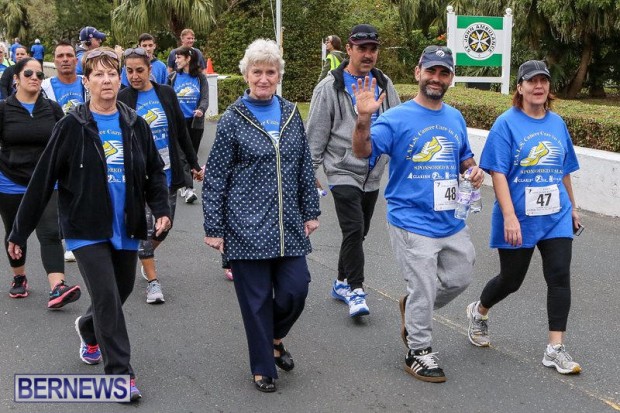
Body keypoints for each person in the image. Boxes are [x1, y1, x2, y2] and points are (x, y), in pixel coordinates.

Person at [7, 47, 171, 402]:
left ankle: (87, 327)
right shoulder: (71, 126)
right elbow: (43, 178)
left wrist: (161, 208)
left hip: (126, 225)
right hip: (85, 227)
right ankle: (121, 376)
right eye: (98, 74)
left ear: (119, 78)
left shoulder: (135, 124)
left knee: (120, 291)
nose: (106, 80)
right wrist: (18, 231)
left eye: (112, 73)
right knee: (108, 298)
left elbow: (155, 172)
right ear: (87, 82)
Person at [351, 45, 484, 383]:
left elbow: (463, 157)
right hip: (411, 218)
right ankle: (418, 351)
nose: (436, 78)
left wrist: (473, 170)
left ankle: (413, 307)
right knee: (423, 287)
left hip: (451, 217)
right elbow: (362, 151)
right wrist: (363, 119)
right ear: (418, 73)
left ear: (451, 78)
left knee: (460, 277)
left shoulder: (454, 117)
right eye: (431, 71)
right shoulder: (396, 118)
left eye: (443, 73)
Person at [202, 38, 320, 393]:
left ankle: (275, 338)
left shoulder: (290, 114)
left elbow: (303, 165)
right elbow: (216, 177)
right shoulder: (232, 119)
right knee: (255, 303)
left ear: (278, 75)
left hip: (288, 224)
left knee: (296, 290)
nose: (264, 78)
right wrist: (214, 227)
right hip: (244, 225)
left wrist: (310, 211)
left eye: (270, 72)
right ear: (246, 75)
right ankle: (262, 367)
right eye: (257, 72)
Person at [465, 60, 582, 375]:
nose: (538, 86)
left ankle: (555, 348)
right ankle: (479, 310)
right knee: (511, 280)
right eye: (532, 81)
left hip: (555, 215)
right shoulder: (506, 123)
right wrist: (509, 217)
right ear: (520, 87)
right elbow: (498, 173)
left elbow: (564, 170)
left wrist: (573, 207)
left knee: (559, 276)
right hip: (519, 216)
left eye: (543, 80)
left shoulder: (557, 123)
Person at [307, 24, 400, 317]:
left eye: (373, 49)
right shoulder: (329, 87)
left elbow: (398, 123)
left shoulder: (384, 83)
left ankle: (341, 282)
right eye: (362, 49)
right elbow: (316, 135)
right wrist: (309, 175)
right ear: (348, 49)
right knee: (354, 228)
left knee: (359, 232)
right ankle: (356, 290)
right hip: (341, 169)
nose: (368, 54)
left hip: (373, 173)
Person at [118, 46, 203, 303]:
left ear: (150, 69)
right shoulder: (123, 98)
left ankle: (143, 253)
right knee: (145, 228)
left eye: (139, 70)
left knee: (164, 226)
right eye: (129, 71)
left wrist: (194, 164)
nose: (134, 76)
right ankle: (153, 282)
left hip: (166, 171)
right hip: (138, 176)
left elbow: (181, 132)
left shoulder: (165, 93)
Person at [0, 57, 82, 308]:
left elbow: (65, 142)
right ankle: (19, 276)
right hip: (10, 181)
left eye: (39, 74)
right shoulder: (3, 109)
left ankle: (57, 287)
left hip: (46, 181)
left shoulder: (52, 109)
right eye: (28, 74)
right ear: (16, 79)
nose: (35, 78)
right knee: (15, 232)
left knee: (50, 232)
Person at [41, 40, 88, 263]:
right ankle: (68, 239)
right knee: (62, 194)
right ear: (54, 60)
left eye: (69, 55)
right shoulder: (45, 86)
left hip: (86, 146)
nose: (65, 60)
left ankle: (78, 237)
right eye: (60, 56)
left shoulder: (86, 82)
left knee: (83, 192)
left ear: (76, 60)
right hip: (57, 147)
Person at [168, 46, 208, 204]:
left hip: (195, 123)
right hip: (178, 122)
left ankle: (184, 184)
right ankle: (189, 188)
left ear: (188, 58)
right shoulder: (172, 77)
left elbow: (205, 97)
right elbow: (166, 98)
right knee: (182, 156)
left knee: (192, 155)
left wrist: (201, 110)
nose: (176, 60)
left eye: (179, 57)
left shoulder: (200, 78)